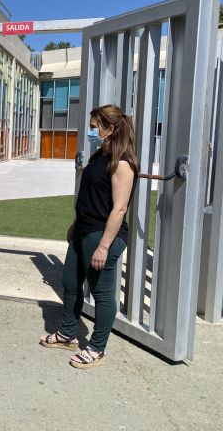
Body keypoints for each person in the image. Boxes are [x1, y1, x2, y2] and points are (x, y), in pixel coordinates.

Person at [39, 104, 139, 368]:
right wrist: (75, 224)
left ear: (111, 129)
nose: (91, 131)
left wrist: (104, 246)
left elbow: (119, 208)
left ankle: (97, 348)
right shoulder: (99, 157)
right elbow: (90, 198)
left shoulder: (123, 164)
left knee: (102, 293)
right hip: (83, 230)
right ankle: (67, 333)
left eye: (95, 126)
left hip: (101, 235)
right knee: (71, 284)